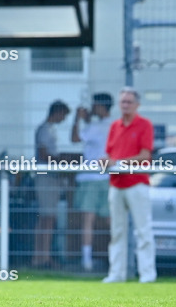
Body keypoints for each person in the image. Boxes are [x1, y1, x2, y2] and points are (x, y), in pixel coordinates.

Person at [101, 87, 156, 284]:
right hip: (116, 183)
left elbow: (145, 155)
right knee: (117, 232)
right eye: (122, 102)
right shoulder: (115, 126)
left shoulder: (145, 125)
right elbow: (110, 154)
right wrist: (107, 162)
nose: (125, 105)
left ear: (137, 104)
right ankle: (116, 274)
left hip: (136, 183)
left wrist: (119, 162)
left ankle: (147, 275)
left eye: (129, 102)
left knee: (143, 230)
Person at [72, 92, 113, 271]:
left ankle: (86, 260)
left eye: (95, 105)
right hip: (109, 178)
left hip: (91, 178)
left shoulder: (95, 126)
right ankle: (117, 259)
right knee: (111, 221)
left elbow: (75, 138)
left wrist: (77, 118)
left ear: (101, 106)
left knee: (87, 221)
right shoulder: (114, 125)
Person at [31, 99, 70, 268]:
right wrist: (62, 162)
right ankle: (41, 258)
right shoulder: (44, 130)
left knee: (48, 218)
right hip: (46, 178)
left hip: (52, 178)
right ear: (58, 112)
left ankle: (42, 256)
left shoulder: (50, 130)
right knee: (47, 218)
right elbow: (44, 154)